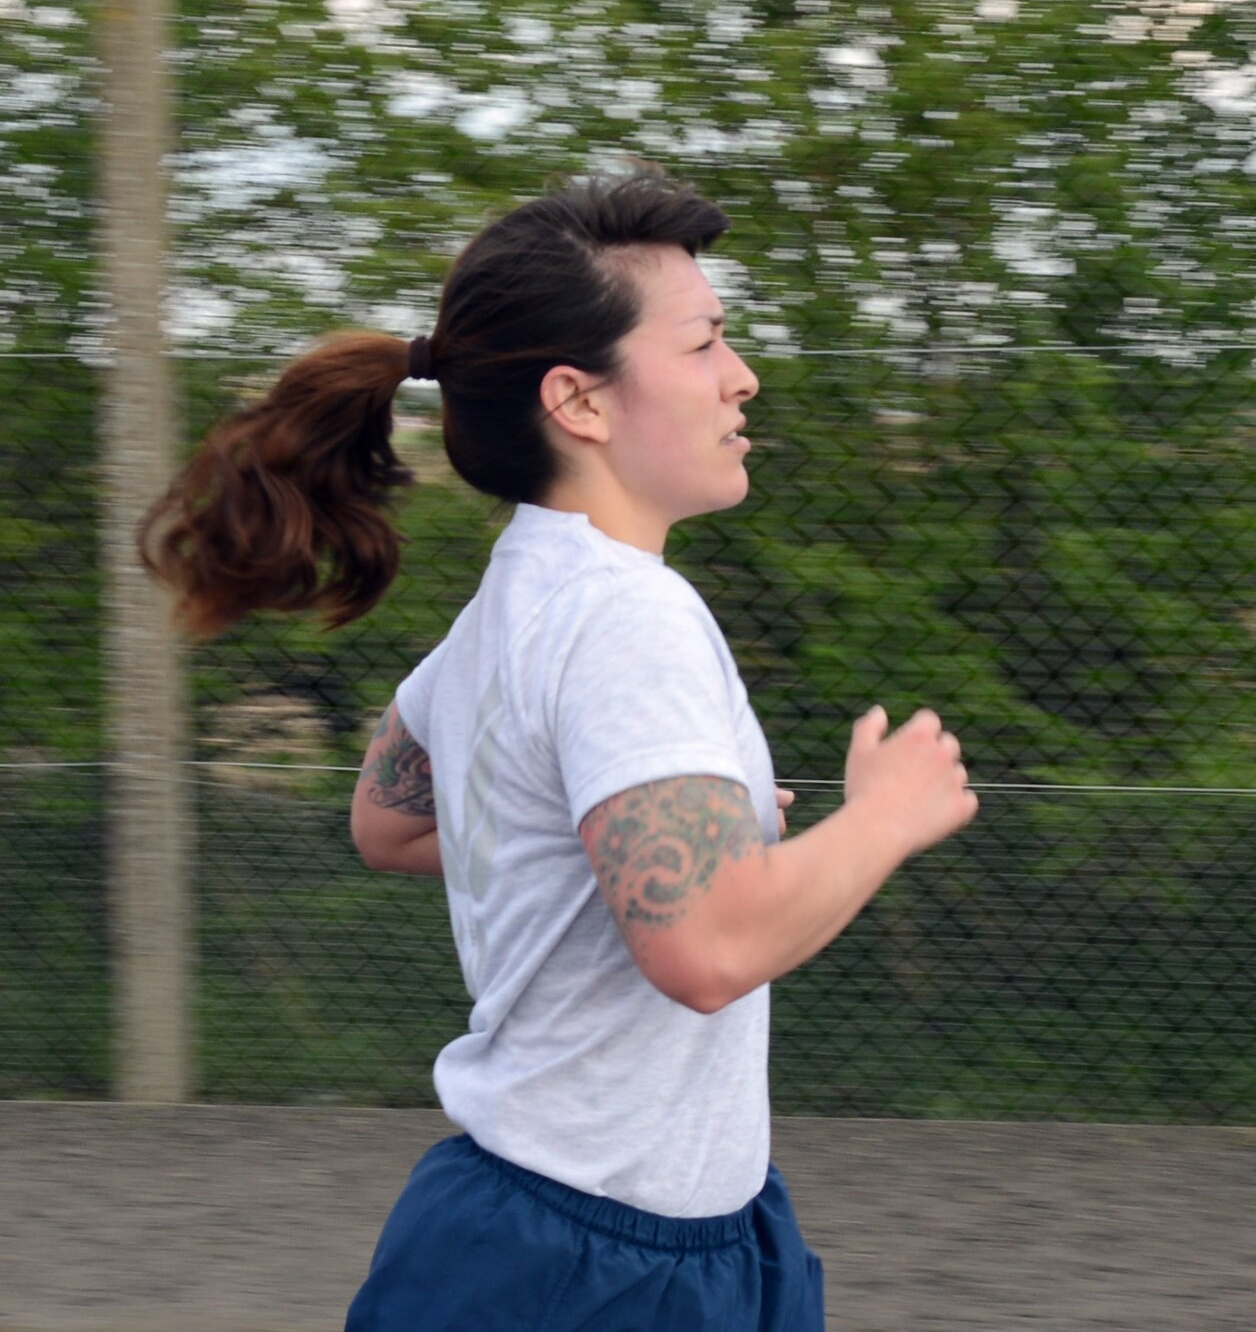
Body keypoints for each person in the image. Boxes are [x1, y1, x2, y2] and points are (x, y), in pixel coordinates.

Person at [140, 166, 979, 1331]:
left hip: (581, 1229)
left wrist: (657, 853)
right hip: (596, 1271)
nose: (742, 376)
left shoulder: (506, 606)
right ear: (579, 403)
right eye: (703, 345)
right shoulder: (628, 616)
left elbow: (387, 821)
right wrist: (882, 814)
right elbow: (706, 946)